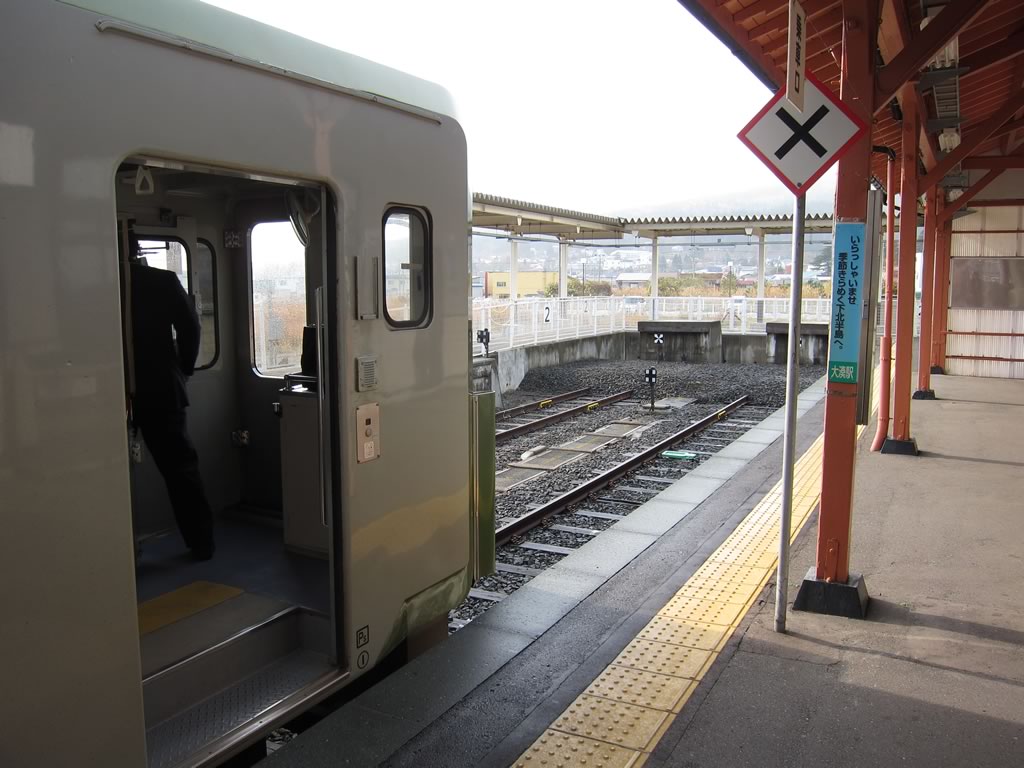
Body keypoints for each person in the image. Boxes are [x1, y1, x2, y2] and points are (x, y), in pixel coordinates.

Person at [129, 245, 215, 560]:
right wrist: (183, 368)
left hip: (105, 389)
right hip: (161, 389)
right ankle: (201, 543)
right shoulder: (161, 281)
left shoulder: (91, 286)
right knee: (181, 470)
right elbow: (190, 326)